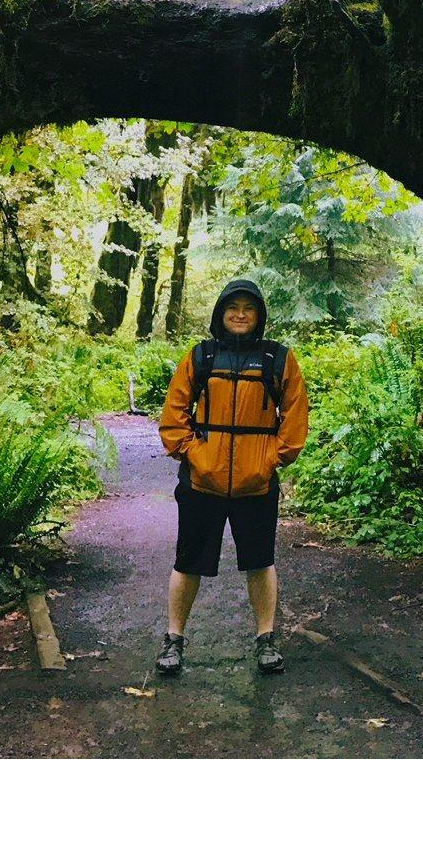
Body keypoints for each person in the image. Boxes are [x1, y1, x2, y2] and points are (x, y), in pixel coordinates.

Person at [154, 278, 309, 677]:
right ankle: (173, 641)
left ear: (258, 316)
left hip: (256, 485)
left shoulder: (279, 359)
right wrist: (194, 454)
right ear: (220, 314)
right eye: (232, 308)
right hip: (201, 483)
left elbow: (294, 417)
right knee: (187, 563)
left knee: (260, 562)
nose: (240, 314)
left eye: (248, 308)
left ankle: (266, 640)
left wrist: (270, 458)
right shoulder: (201, 357)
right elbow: (174, 417)